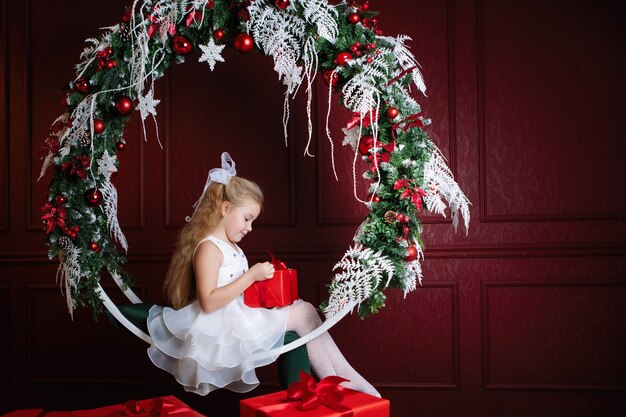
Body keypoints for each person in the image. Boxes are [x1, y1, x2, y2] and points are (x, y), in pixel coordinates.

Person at [146, 152, 380, 397]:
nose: (249, 228)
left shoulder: (232, 247)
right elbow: (208, 301)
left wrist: (265, 290)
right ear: (225, 208)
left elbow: (240, 290)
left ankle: (343, 379)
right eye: (247, 219)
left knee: (304, 309)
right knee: (303, 313)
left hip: (241, 314)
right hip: (224, 325)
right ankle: (340, 381)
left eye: (252, 221)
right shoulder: (208, 248)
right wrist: (251, 276)